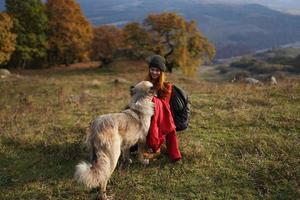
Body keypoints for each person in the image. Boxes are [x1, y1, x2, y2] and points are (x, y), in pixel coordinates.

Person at [145, 54, 182, 162]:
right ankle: (150, 148)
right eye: (152, 69)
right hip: (148, 113)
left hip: (163, 115)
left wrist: (151, 98)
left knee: (170, 126)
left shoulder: (167, 86)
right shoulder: (146, 83)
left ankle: (174, 155)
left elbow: (164, 104)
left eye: (157, 70)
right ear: (149, 70)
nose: (154, 72)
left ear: (162, 72)